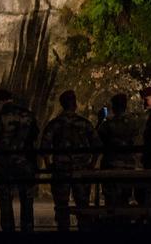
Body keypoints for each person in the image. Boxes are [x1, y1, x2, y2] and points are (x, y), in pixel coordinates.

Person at [39, 90, 100, 231]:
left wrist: (49, 165)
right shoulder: (84, 123)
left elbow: (44, 147)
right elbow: (97, 144)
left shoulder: (54, 124)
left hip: (61, 169)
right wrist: (91, 163)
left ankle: (63, 232)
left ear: (62, 105)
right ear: (75, 104)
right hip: (81, 169)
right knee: (83, 205)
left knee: (61, 206)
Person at [0, 89, 39, 233]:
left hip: (6, 165)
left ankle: (8, 232)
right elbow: (35, 137)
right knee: (27, 200)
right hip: (26, 163)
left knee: (5, 200)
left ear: (0, 102)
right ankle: (27, 230)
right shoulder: (28, 115)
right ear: (11, 99)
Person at [97, 93, 138, 208]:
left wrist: (99, 121)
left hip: (111, 165)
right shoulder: (133, 123)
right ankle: (123, 222)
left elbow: (96, 140)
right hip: (128, 165)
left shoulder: (107, 124)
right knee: (124, 198)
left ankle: (112, 222)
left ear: (113, 107)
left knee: (110, 200)